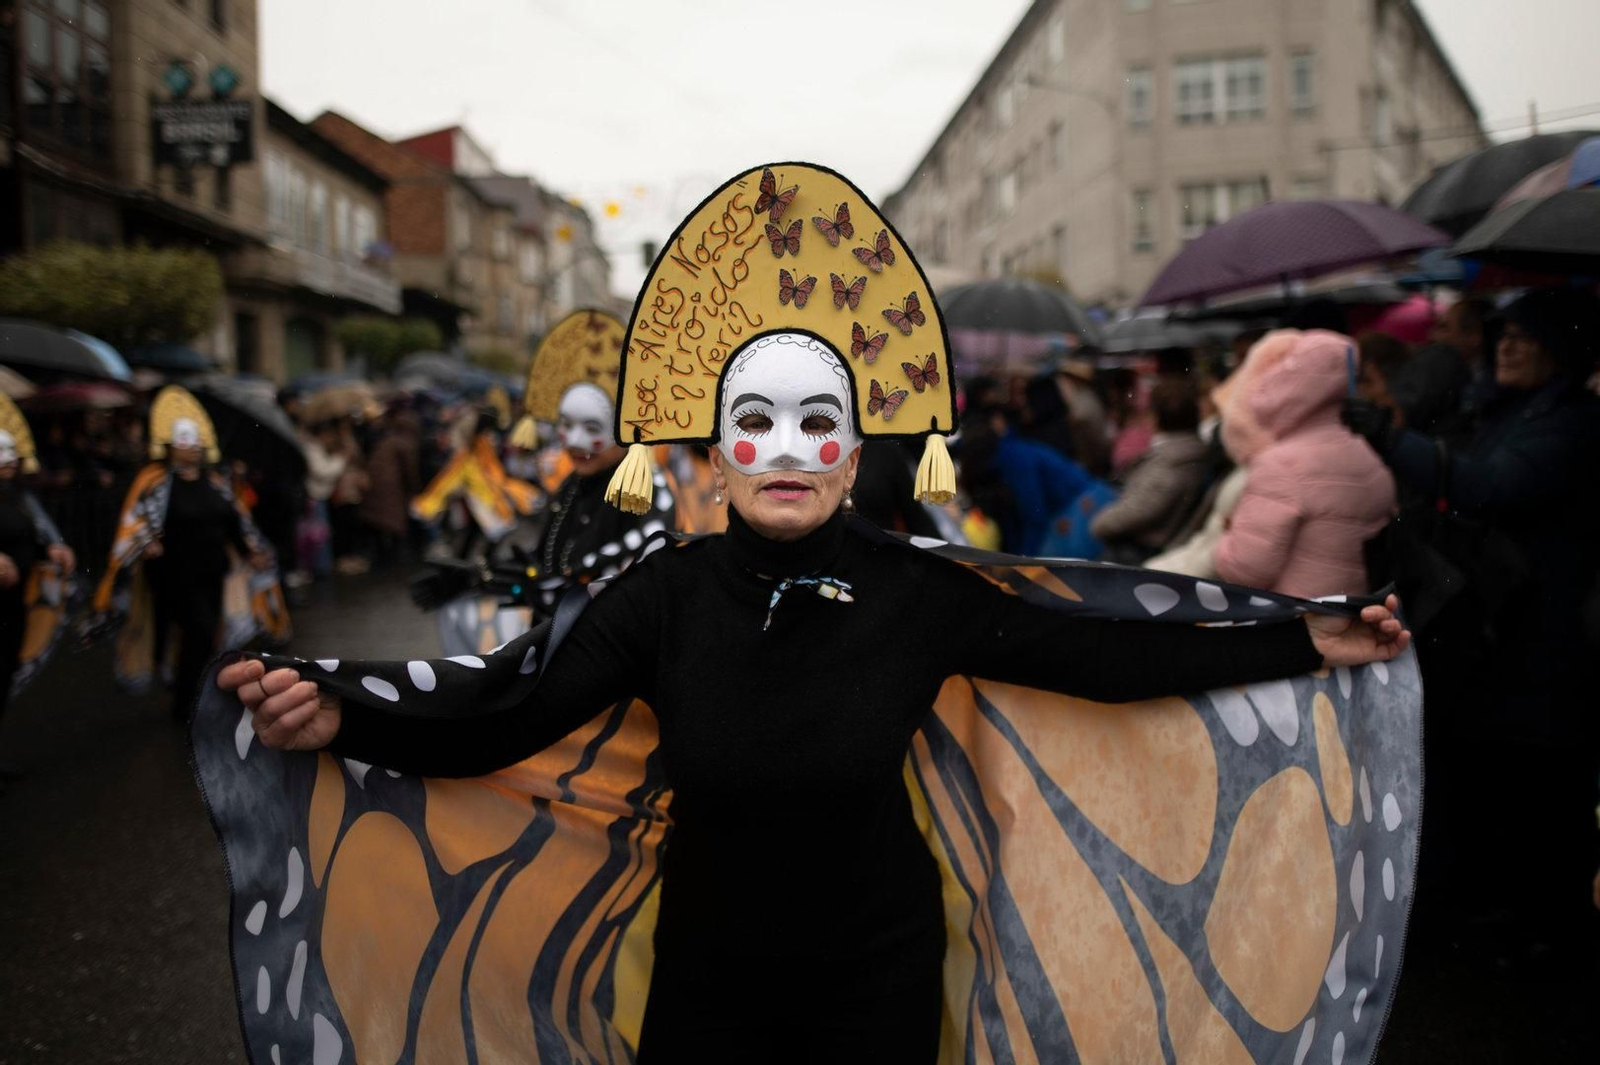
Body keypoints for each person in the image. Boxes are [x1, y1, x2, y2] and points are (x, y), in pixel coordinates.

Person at [213, 164, 1411, 1060]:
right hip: (709, 977)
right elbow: (502, 712)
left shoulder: (918, 589)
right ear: (717, 460)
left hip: (874, 977)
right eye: (755, 424)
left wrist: (1301, 635)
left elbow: (1097, 655)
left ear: (850, 459)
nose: (786, 450)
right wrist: (340, 714)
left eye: (816, 424)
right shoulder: (663, 595)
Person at [1344, 288, 1600, 966]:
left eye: (1527, 334)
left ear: (1562, 345)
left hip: (1546, 627)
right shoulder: (1496, 408)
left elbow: (1492, 484)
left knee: (1544, 781)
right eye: (1502, 333)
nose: (1508, 345)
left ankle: (1555, 929)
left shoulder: (1574, 421)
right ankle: (1506, 908)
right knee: (1498, 772)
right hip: (1494, 626)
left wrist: (1392, 438)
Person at [86, 386, 283, 710]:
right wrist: (145, 542)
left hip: (211, 570)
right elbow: (133, 523)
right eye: (183, 443)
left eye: (196, 444)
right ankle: (187, 699)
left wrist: (251, 552)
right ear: (168, 445)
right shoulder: (154, 482)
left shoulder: (215, 483)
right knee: (199, 631)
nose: (191, 450)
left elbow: (233, 522)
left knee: (206, 633)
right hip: (173, 576)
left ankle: (190, 689)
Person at [1214, 330, 1395, 598]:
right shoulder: (1365, 452)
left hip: (1294, 623)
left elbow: (1245, 570)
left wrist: (1226, 537)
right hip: (1350, 616)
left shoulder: (1280, 465)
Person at [0, 395, 75, 789]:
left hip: (14, 600)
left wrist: (52, 549)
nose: (10, 465)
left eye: (11, 459)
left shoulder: (16, 496)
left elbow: (29, 535)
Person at [1090, 378, 1209, 564]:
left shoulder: (1172, 462)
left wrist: (1099, 523)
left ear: (1155, 416)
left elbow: (1138, 511)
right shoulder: (1188, 453)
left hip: (1141, 553)